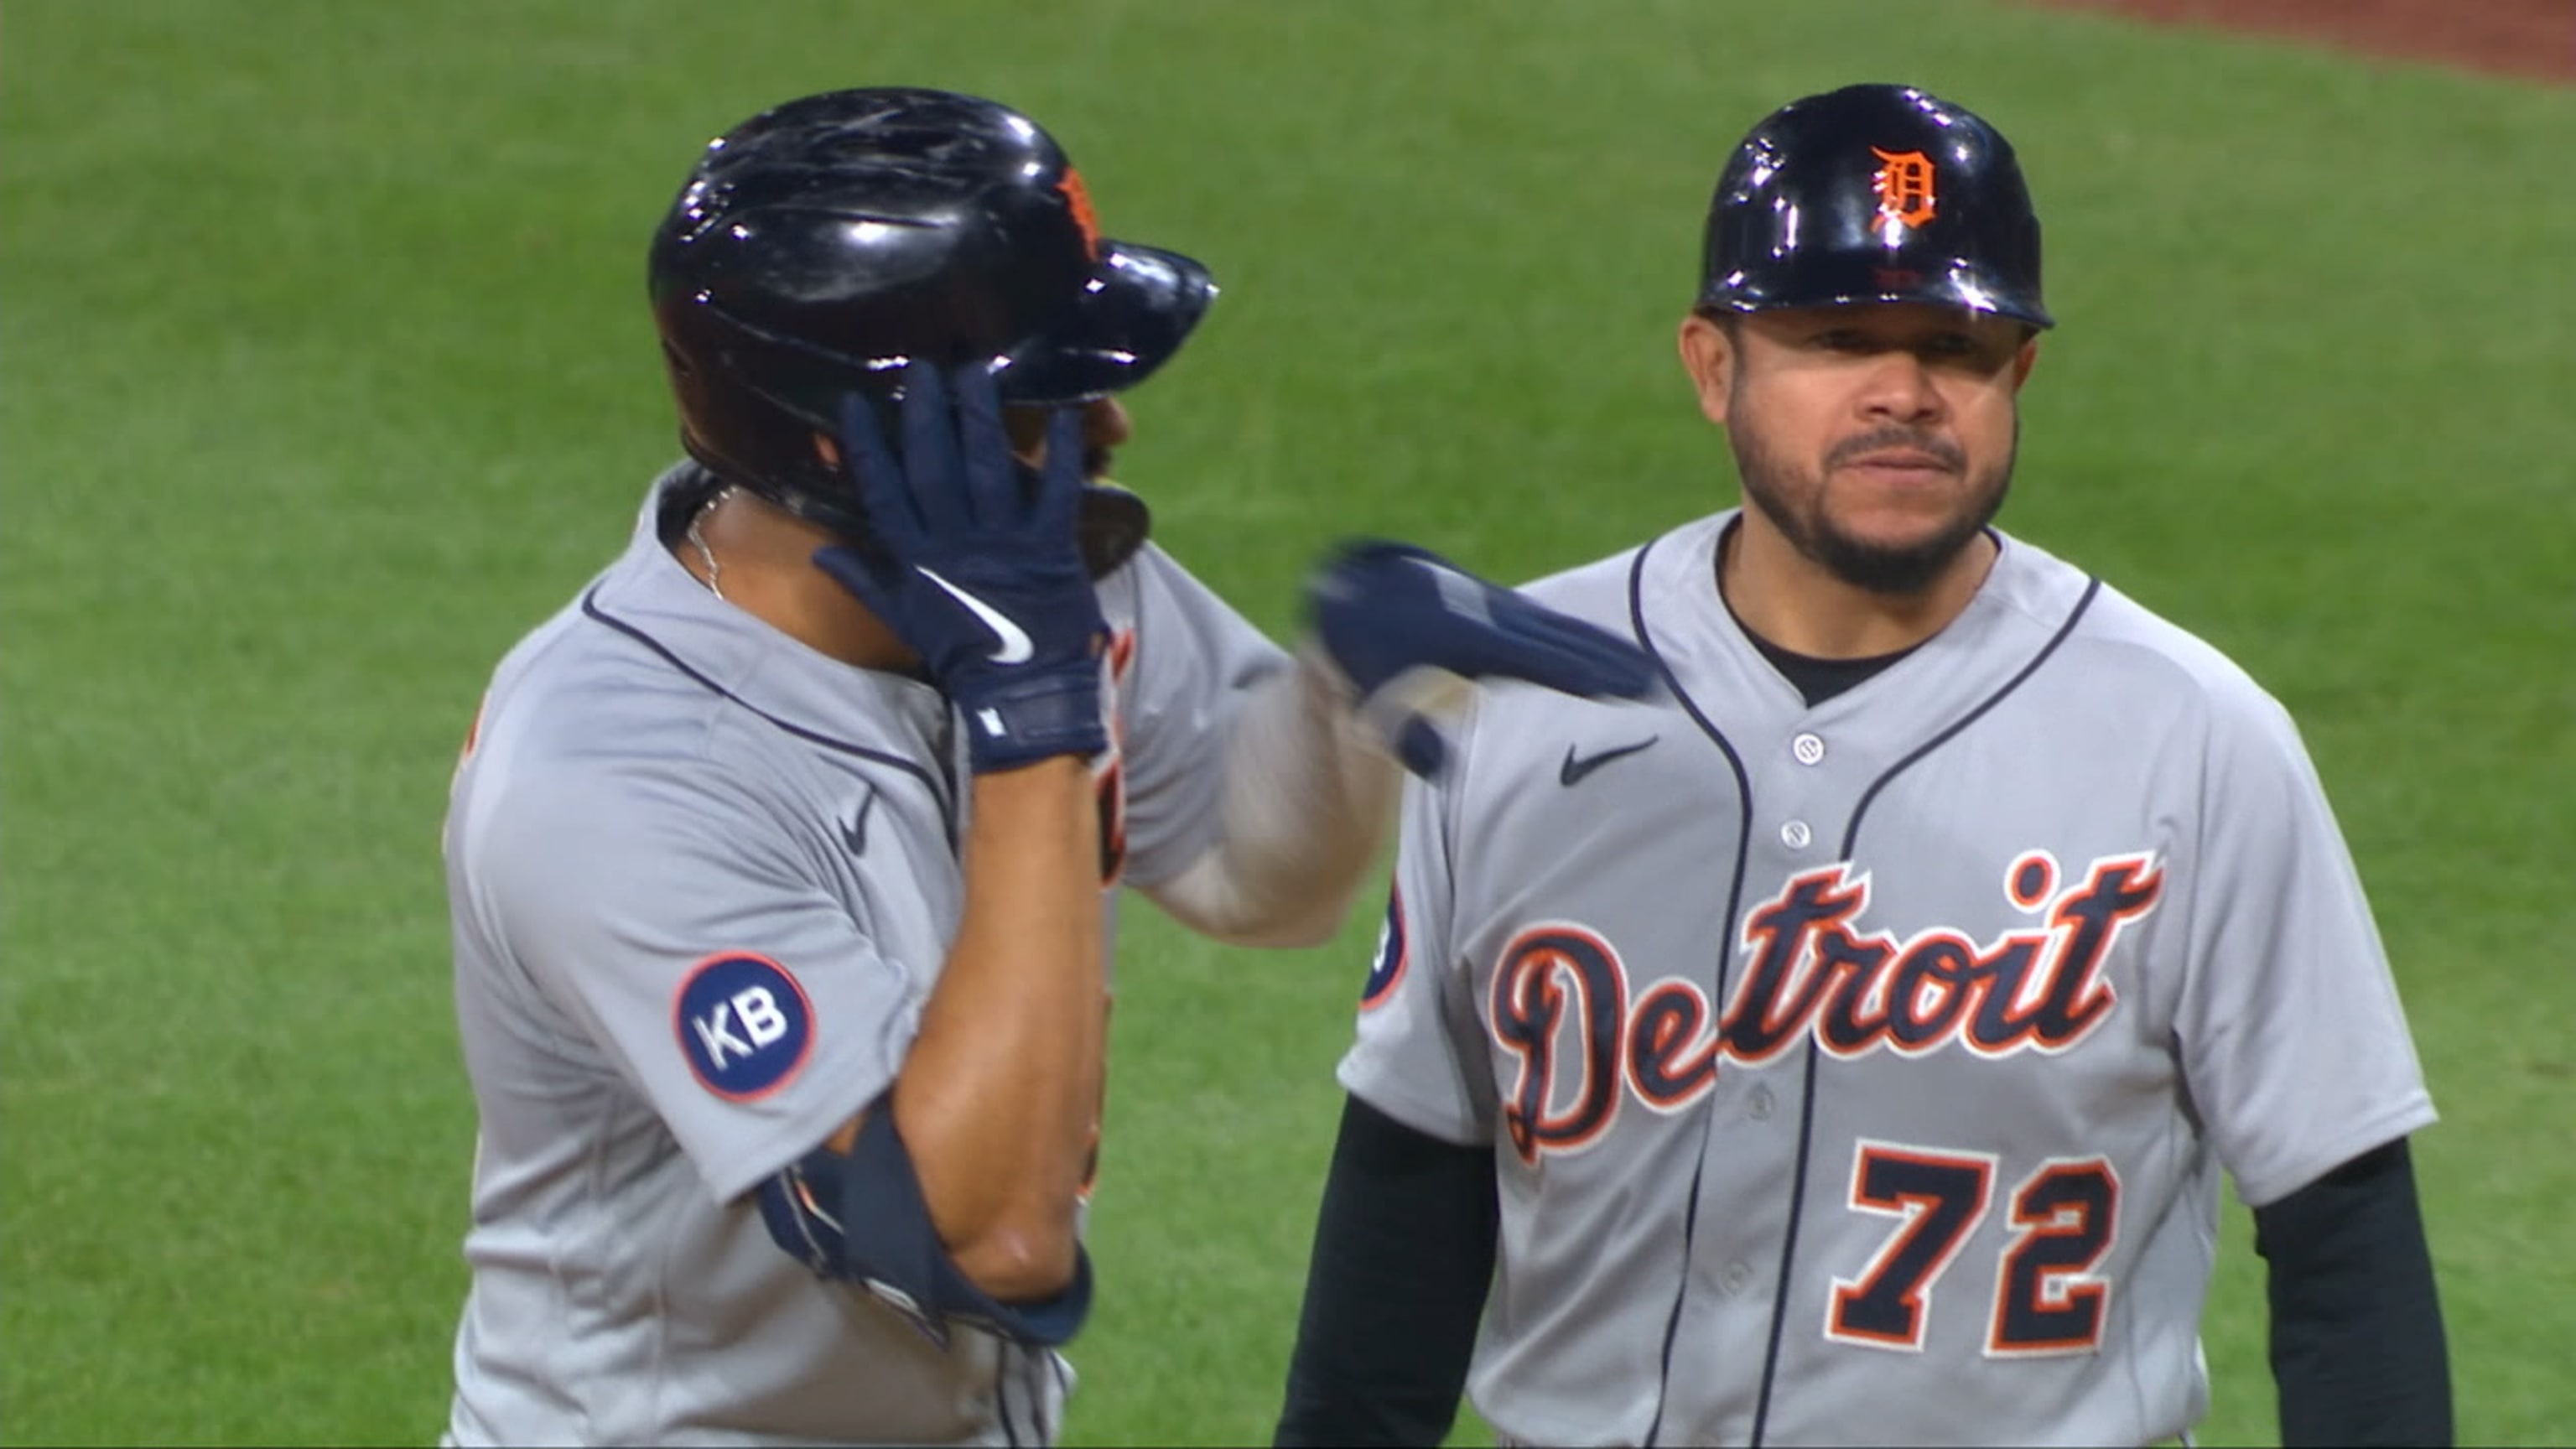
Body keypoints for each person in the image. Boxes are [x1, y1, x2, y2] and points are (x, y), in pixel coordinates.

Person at [439, 86, 1654, 1447]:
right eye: (1041, 398)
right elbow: (987, 1236)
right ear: (853, 442)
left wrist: (1339, 700)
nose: (1110, 428)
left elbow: (1254, 877)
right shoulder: (617, 778)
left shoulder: (1023, 577)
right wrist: (1033, 715)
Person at [1272, 82, 2450, 1448]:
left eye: (1956, 344)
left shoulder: (2193, 739)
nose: (1904, 391)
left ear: (2019, 376)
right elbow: (1413, 1184)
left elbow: (2345, 1233)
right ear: (1713, 366)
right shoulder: (1520, 694)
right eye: (1838, 338)